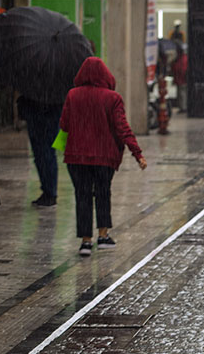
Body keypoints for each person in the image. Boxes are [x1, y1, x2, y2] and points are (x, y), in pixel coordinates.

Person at [59, 57, 146, 256]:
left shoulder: (73, 95)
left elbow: (64, 125)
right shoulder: (112, 98)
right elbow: (122, 128)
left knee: (82, 196)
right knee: (102, 193)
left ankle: (85, 242)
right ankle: (103, 235)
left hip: (77, 157)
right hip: (104, 156)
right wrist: (137, 153)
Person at [18, 95, 63, 207]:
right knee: (46, 152)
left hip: (38, 107)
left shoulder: (34, 86)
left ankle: (49, 191)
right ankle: (49, 190)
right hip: (52, 106)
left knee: (43, 152)